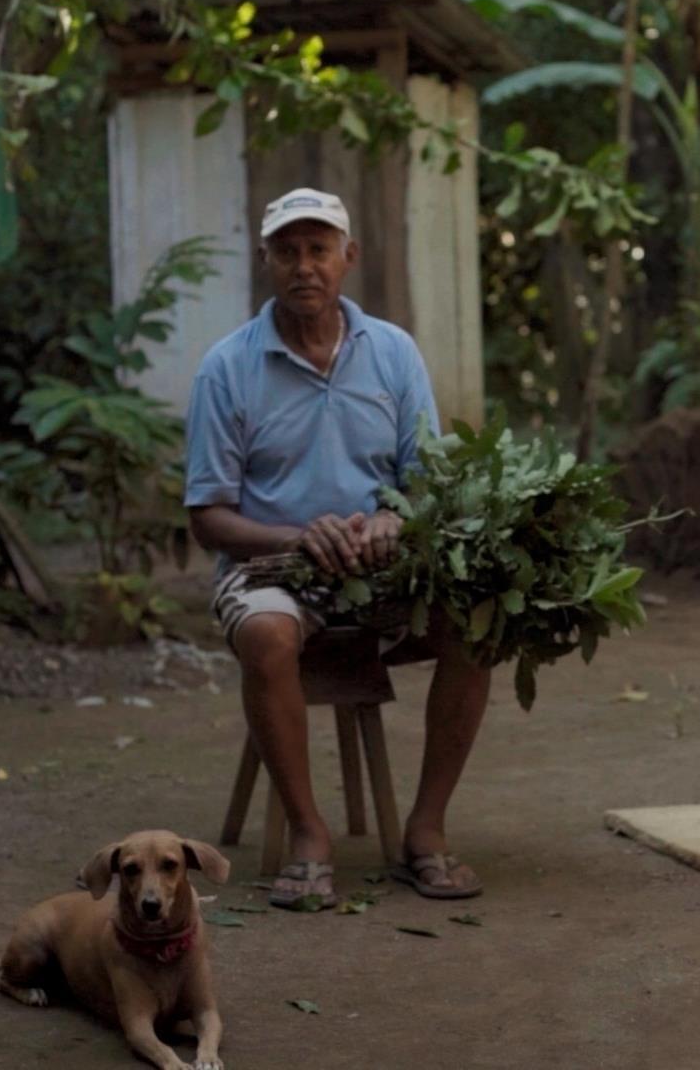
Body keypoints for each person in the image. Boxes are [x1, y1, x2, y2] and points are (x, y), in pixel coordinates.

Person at [184, 187, 491, 909]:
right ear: (265, 261)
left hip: (382, 566)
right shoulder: (226, 368)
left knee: (479, 620)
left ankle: (426, 830)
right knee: (267, 634)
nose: (305, 266)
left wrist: (395, 519)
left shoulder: (392, 352)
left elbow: (426, 483)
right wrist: (297, 534)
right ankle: (309, 834)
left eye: (319, 249)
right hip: (272, 566)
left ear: (348, 256)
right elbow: (208, 517)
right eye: (287, 251)